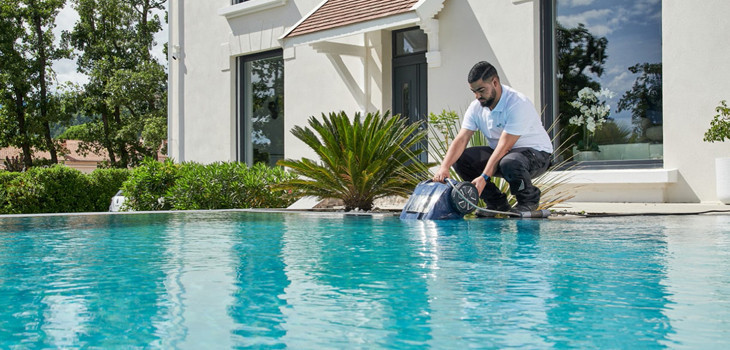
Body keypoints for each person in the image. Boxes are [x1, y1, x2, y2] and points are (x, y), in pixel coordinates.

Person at [432, 61, 553, 214]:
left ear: (495, 82)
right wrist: (444, 167)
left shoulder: (517, 103)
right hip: (505, 156)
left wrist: (484, 176)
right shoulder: (476, 107)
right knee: (462, 159)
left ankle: (528, 201)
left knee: (510, 161)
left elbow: (505, 146)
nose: (477, 96)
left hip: (537, 155)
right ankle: (496, 203)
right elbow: (462, 139)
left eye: (481, 90)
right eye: (474, 91)